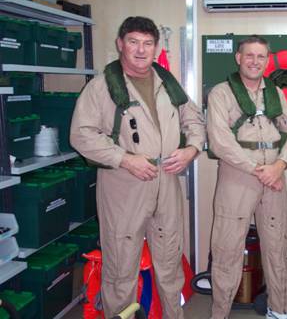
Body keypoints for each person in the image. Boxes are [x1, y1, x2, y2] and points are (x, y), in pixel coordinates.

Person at [70, 16, 205, 318]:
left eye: (147, 43)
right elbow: (81, 134)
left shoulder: (166, 82)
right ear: (120, 44)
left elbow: (194, 120)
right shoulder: (102, 87)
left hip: (167, 180)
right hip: (123, 185)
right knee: (121, 267)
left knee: (170, 262)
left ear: (156, 47)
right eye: (133, 42)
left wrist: (191, 149)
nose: (141, 50)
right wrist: (125, 159)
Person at [207, 35, 287, 319]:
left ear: (267, 60)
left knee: (276, 246)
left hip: (274, 176)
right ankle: (219, 314)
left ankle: (279, 309)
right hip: (237, 176)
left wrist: (281, 164)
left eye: (261, 57)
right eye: (249, 55)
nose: (254, 61)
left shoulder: (274, 93)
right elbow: (220, 141)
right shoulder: (221, 94)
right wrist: (257, 170)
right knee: (226, 250)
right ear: (238, 57)